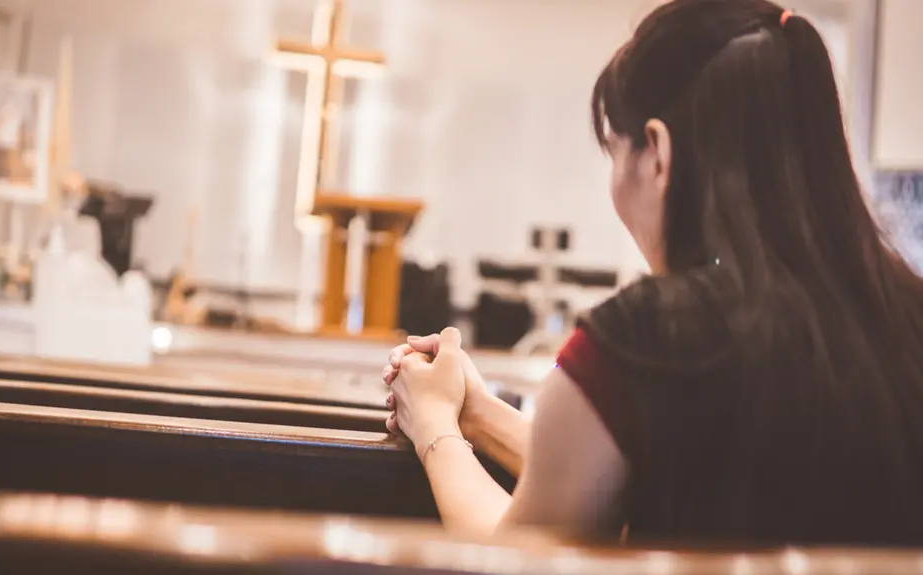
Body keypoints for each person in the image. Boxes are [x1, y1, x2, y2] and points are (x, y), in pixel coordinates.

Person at [383, 0, 923, 547]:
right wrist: (480, 416)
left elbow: (516, 559)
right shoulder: (904, 315)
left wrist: (433, 425)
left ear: (658, 154)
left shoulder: (642, 340)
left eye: (617, 152)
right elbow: (648, 467)